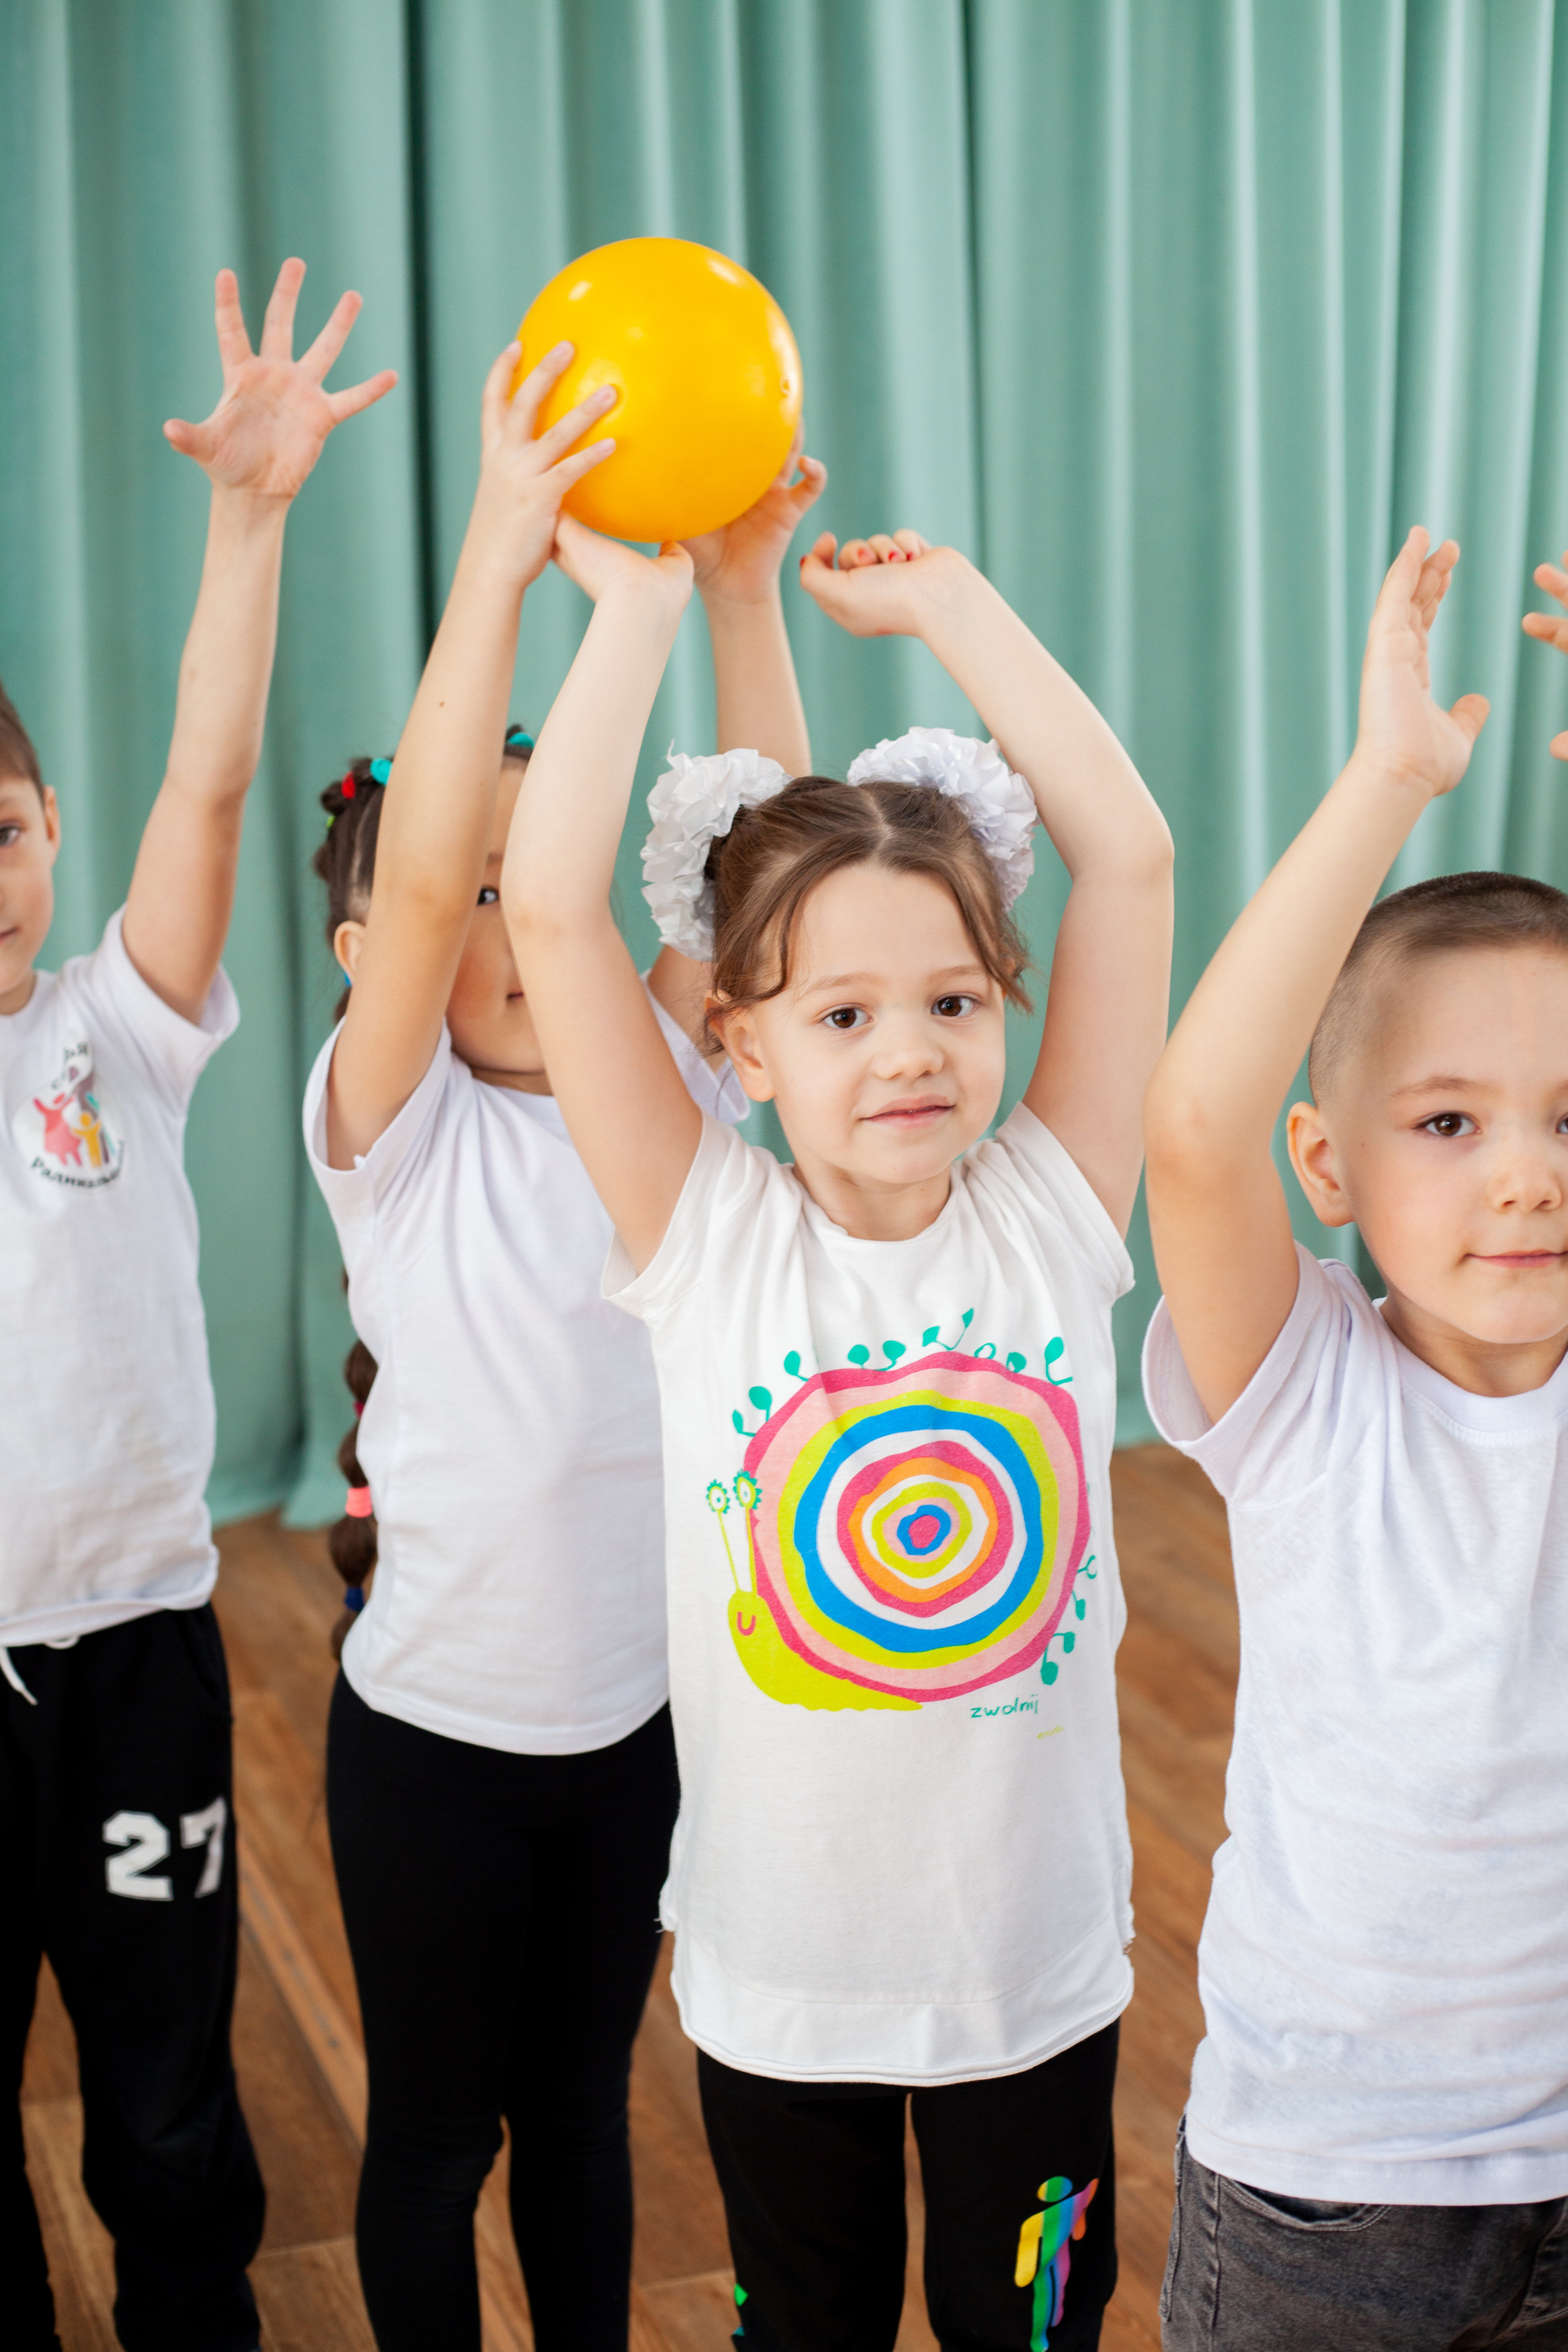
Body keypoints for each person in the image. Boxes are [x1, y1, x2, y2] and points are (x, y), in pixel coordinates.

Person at [501, 511, 1174, 2352]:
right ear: (739, 1042)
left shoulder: (1053, 1209)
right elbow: (552, 909)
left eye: (955, 1002)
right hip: (779, 1986)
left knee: (1025, 2324)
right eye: (845, 1011)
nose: (909, 1053)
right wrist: (637, 614)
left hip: (1035, 1980)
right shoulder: (703, 1237)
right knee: (804, 2324)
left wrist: (954, 605)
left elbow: (1129, 859)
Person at [306, 334, 824, 2352]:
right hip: (428, 1752)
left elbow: (781, 861)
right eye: (487, 901)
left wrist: (750, 594)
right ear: (397, 961)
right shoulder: (397, 1131)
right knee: (435, 2144)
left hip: (639, 1736)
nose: (527, 920)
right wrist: (506, 565)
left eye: (561, 879)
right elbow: (436, 862)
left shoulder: (664, 1099)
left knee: (585, 2123)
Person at [0, 261, 393, 2352]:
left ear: (49, 832)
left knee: (163, 2081)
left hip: (138, 1647)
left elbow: (212, 788)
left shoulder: (111, 1029)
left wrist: (249, 527)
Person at [1140, 526, 1568, 2350]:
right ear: (1332, 1169)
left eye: (1565, 1114)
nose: (1529, 1174)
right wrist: (1389, 780)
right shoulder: (1305, 1385)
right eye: (1450, 1123)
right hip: (1332, 2194)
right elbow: (1190, 1125)